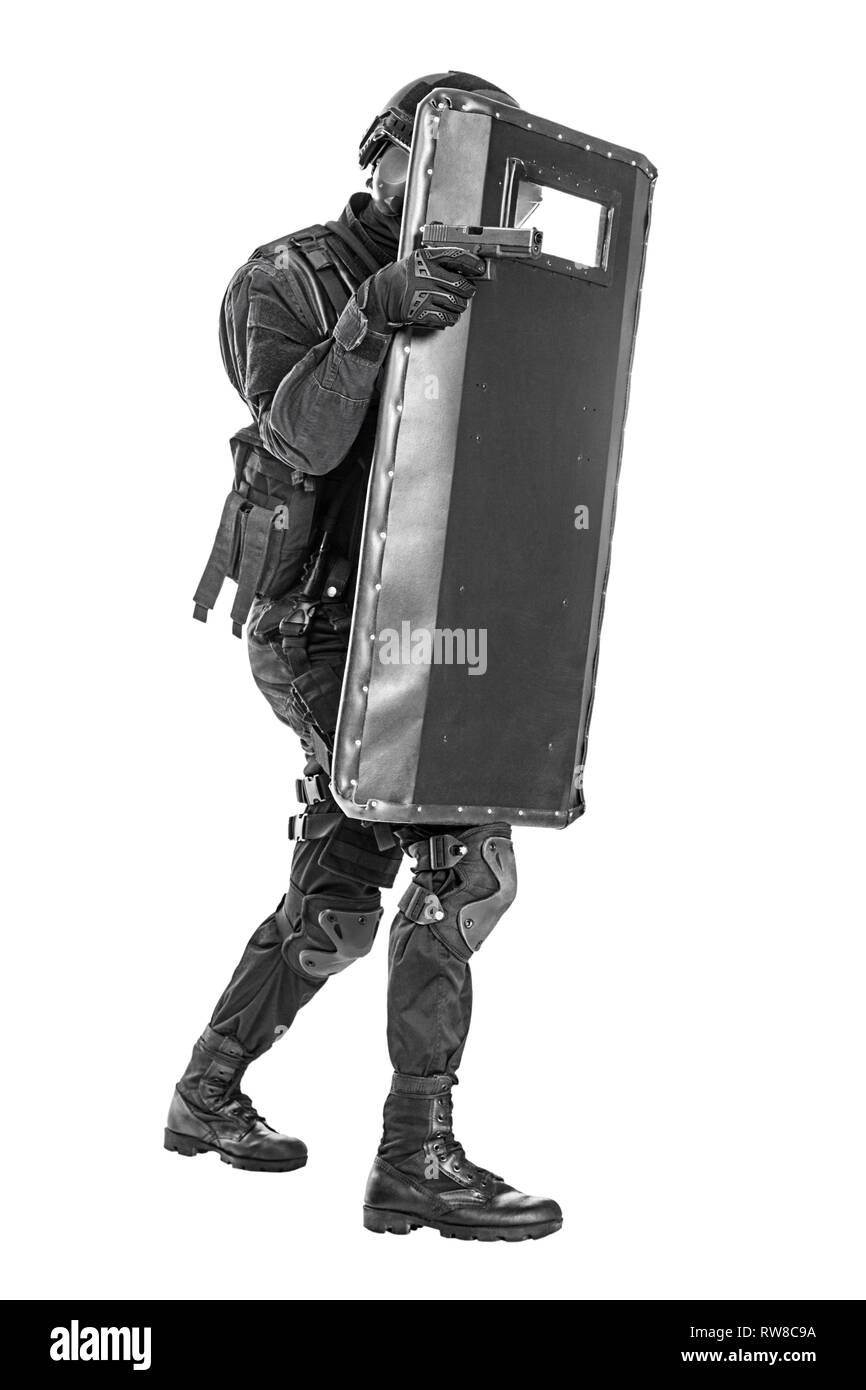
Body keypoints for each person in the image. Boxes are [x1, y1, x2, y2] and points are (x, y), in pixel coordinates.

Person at [167, 72, 562, 1242]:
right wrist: (374, 315)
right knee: (460, 854)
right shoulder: (284, 278)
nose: (455, 186)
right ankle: (414, 1157)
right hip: (316, 626)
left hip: (427, 618)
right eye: (436, 154)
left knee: (337, 902)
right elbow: (298, 438)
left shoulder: (491, 290)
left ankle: (205, 1090)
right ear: (383, 154)